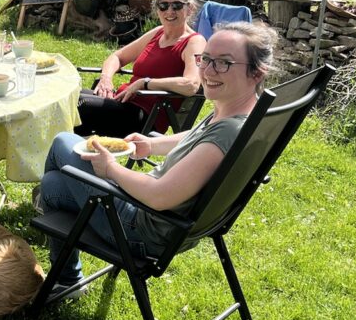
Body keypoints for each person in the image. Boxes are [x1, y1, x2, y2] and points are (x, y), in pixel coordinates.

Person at [39, 22, 278, 294]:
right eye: (206, 59)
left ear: (257, 73)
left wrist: (111, 170)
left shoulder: (228, 132)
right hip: (162, 223)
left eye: (224, 63)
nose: (208, 71)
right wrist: (151, 146)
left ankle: (65, 279)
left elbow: (159, 196)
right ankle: (66, 280)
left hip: (142, 230)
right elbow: (198, 139)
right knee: (52, 185)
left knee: (62, 142)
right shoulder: (242, 113)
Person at [76, 0, 205, 137]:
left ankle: (67, 152)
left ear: (190, 8)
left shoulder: (194, 42)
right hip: (123, 102)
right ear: (157, 9)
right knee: (71, 96)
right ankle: (73, 152)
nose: (169, 11)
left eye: (177, 5)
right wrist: (106, 79)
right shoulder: (157, 33)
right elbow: (117, 56)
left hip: (145, 118)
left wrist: (145, 83)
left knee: (80, 105)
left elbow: (191, 84)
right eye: (163, 5)